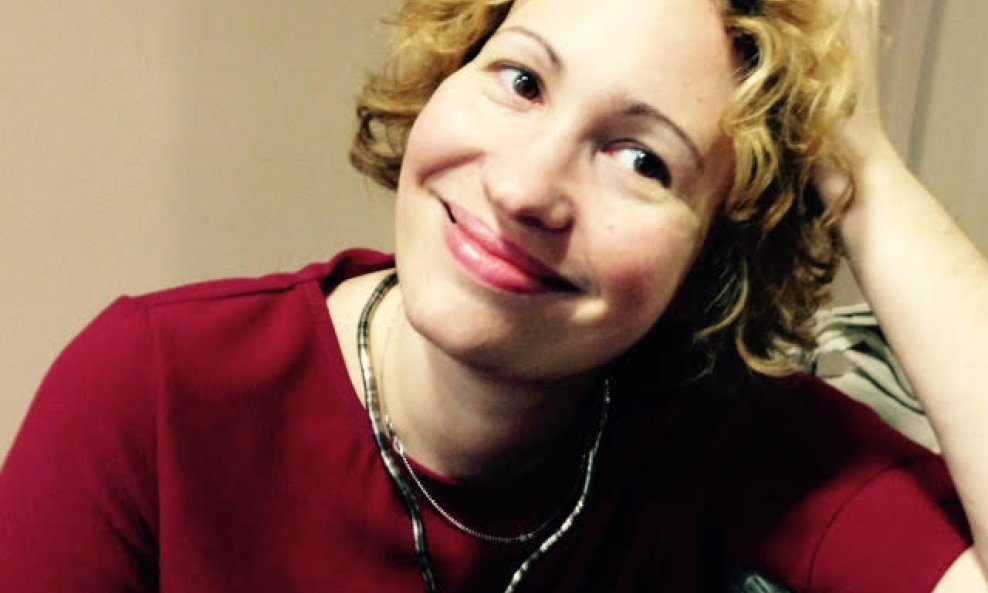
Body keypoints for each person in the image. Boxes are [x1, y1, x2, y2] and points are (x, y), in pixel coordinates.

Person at [1, 0, 986, 591]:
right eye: (520, 81)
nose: (523, 188)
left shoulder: (730, 441)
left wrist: (863, 170)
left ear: (715, 250)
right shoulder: (150, 390)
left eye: (642, 159)